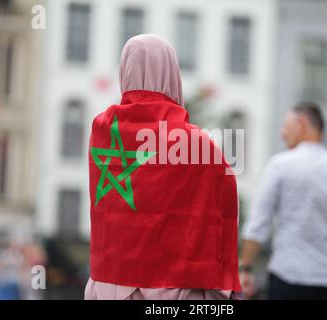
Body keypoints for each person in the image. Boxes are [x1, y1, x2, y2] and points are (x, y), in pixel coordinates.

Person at [84, 34, 242, 300]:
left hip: (109, 285)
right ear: (172, 74)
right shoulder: (196, 144)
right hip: (175, 289)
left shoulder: (102, 129)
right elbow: (223, 212)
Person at [240, 102, 327, 300]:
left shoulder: (279, 165)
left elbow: (258, 223)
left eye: (286, 126)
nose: (282, 133)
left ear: (302, 124)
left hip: (285, 276)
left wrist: (246, 268)